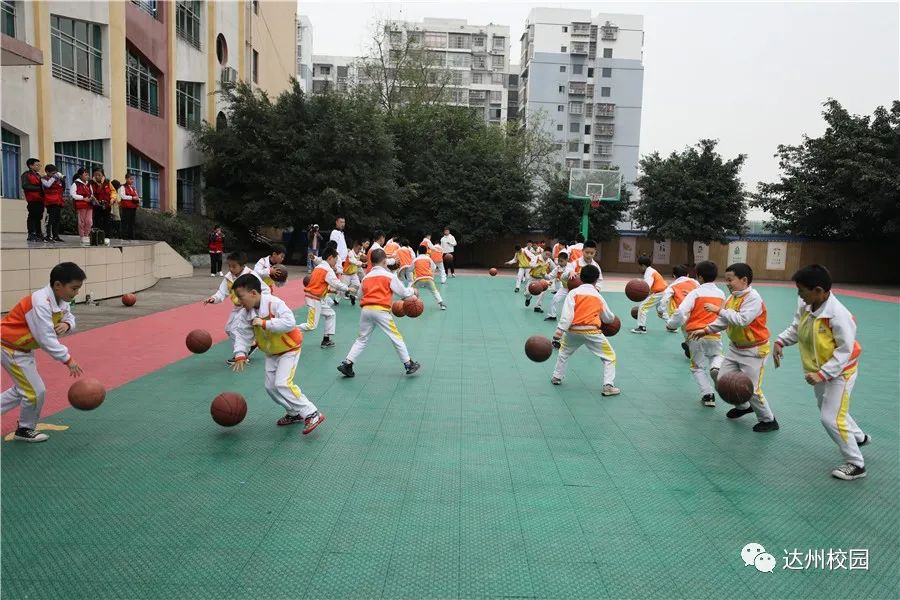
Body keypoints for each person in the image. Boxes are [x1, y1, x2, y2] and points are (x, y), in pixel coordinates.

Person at [774, 264, 868, 480]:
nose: (799, 295)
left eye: (802, 291)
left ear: (818, 290)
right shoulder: (806, 304)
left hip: (841, 373)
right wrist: (780, 341)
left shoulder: (839, 316)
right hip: (818, 371)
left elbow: (844, 351)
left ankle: (856, 464)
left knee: (830, 418)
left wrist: (823, 374)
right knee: (829, 408)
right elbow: (797, 327)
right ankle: (858, 437)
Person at [228, 273, 326, 435]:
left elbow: (289, 323)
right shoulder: (246, 313)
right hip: (272, 352)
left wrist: (265, 323)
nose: (238, 301)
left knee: (282, 383)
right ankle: (293, 413)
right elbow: (242, 335)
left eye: (240, 296)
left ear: (253, 293)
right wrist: (240, 353)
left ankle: (312, 413)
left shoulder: (274, 303)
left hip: (289, 349)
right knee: (270, 387)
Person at [689, 263, 779, 432]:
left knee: (752, 389)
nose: (727, 283)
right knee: (722, 379)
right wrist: (706, 330)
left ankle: (768, 420)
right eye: (726, 280)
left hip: (754, 351)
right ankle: (743, 406)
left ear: (744, 280)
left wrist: (718, 310)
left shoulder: (753, 298)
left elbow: (741, 320)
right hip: (735, 348)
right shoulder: (732, 298)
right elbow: (724, 321)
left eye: (730, 280)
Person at [1, 262, 85, 442]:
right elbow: (45, 338)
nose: (77, 292)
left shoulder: (61, 299)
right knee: (35, 391)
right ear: (58, 285)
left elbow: (69, 316)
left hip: (23, 349)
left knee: (23, 390)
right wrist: (68, 359)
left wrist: (67, 324)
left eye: (78, 288)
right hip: (10, 348)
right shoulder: (40, 302)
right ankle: (25, 430)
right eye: (74, 288)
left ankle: (25, 428)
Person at [337, 249, 421, 378]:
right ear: (385, 261)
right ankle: (408, 364)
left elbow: (360, 296)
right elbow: (403, 293)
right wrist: (413, 291)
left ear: (372, 261)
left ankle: (347, 364)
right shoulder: (389, 276)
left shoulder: (366, 278)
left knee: (361, 339)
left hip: (366, 311)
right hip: (381, 311)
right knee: (396, 337)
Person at [550, 265, 619, 396]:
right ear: (597, 280)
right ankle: (608, 386)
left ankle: (557, 377)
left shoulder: (573, 293)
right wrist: (611, 318)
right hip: (592, 331)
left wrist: (560, 330)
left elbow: (567, 314)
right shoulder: (598, 296)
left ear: (580, 278)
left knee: (563, 352)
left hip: (573, 331)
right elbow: (608, 318)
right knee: (610, 357)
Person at [666, 261, 725, 407]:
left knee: (697, 367)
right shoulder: (721, 294)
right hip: (714, 333)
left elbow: (681, 312)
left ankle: (708, 395)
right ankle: (716, 367)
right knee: (716, 355)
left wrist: (671, 324)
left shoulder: (695, 293)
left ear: (700, 277)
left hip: (695, 335)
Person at [204, 251, 268, 365]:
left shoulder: (251, 275)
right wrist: (214, 298)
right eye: (229, 266)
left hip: (249, 307)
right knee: (229, 329)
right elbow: (221, 292)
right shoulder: (228, 277)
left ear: (242, 266)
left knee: (236, 329)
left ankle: (242, 355)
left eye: (234, 266)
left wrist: (258, 304)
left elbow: (265, 289)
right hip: (238, 307)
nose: (231, 269)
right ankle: (250, 345)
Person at [301, 247, 354, 348]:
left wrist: (331, 291)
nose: (336, 262)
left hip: (316, 298)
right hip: (314, 299)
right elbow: (336, 283)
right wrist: (347, 288)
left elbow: (319, 284)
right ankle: (287, 330)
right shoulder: (327, 270)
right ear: (330, 258)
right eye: (336, 260)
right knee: (311, 325)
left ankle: (326, 340)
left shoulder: (318, 267)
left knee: (331, 314)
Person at [658, 264, 700, 358]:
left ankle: (689, 343)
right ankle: (689, 344)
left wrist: (661, 310)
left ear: (674, 276)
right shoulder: (695, 283)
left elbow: (664, 300)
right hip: (696, 310)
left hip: (683, 312)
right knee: (694, 329)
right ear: (688, 274)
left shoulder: (672, 286)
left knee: (685, 328)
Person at [631, 255, 668, 334]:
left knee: (643, 307)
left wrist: (641, 297)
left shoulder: (649, 272)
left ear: (643, 266)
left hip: (659, 293)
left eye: (639, 266)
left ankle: (642, 328)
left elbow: (646, 287)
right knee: (660, 311)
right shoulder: (652, 271)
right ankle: (672, 326)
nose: (638, 268)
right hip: (663, 292)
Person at [412, 245, 447, 310]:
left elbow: (410, 269)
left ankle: (414, 303)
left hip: (419, 279)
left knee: (412, 290)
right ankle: (442, 305)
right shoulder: (428, 259)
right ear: (426, 252)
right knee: (435, 291)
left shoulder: (415, 260)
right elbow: (434, 267)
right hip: (429, 279)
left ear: (418, 252)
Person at [21, 158, 46, 242]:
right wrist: (39, 188)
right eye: (37, 165)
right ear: (31, 166)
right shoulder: (26, 175)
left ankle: (39, 234)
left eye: (39, 165)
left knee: (39, 217)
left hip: (40, 199)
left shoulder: (38, 176)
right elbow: (25, 186)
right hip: (32, 199)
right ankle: (31, 233)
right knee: (32, 216)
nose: (39, 167)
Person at [523, 249, 553, 313]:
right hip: (532, 278)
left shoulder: (549, 261)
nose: (547, 256)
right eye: (546, 254)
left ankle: (537, 307)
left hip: (542, 279)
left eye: (549, 255)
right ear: (543, 252)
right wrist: (537, 265)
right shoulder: (536, 257)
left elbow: (554, 268)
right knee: (527, 293)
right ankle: (528, 298)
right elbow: (530, 264)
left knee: (542, 293)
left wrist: (550, 278)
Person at [70, 167, 94, 246]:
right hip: (81, 205)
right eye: (85, 175)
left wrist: (90, 198)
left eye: (88, 175)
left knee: (89, 221)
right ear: (80, 175)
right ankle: (82, 236)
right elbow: (73, 194)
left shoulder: (89, 184)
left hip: (89, 205)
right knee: (81, 221)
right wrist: (83, 198)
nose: (87, 176)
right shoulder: (76, 183)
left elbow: (91, 193)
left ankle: (87, 235)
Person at [41, 165, 65, 242]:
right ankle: (48, 235)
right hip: (50, 202)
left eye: (55, 173)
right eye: (52, 173)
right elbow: (47, 185)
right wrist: (54, 178)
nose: (54, 174)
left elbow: (62, 189)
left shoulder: (57, 180)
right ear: (47, 172)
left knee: (57, 220)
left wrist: (62, 180)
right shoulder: (44, 178)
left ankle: (55, 235)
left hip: (58, 201)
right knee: (50, 220)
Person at [89, 167, 114, 238]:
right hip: (96, 206)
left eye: (99, 175)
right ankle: (97, 237)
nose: (97, 176)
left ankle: (107, 237)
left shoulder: (107, 182)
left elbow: (113, 192)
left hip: (106, 205)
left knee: (107, 222)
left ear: (103, 175)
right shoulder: (91, 183)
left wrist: (112, 199)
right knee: (97, 222)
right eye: (95, 175)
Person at [544, 251, 569, 322]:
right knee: (555, 298)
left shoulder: (571, 266)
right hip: (564, 288)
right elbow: (550, 276)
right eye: (559, 261)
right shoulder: (557, 268)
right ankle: (552, 316)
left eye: (561, 261)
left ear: (567, 260)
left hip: (574, 288)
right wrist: (543, 274)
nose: (559, 263)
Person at [341, 240, 364, 306]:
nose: (359, 250)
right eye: (358, 249)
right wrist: (361, 263)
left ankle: (351, 295)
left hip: (353, 274)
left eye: (360, 249)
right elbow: (353, 261)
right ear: (354, 247)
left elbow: (363, 256)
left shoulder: (359, 253)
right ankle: (336, 300)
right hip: (346, 274)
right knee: (342, 289)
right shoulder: (350, 253)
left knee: (358, 285)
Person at [117, 173, 140, 240]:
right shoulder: (122, 187)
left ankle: (131, 237)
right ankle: (124, 237)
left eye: (133, 179)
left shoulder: (133, 188)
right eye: (130, 179)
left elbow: (136, 196)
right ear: (126, 179)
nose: (132, 180)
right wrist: (132, 198)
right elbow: (123, 196)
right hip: (126, 207)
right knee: (125, 222)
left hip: (133, 207)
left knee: (132, 223)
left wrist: (138, 199)